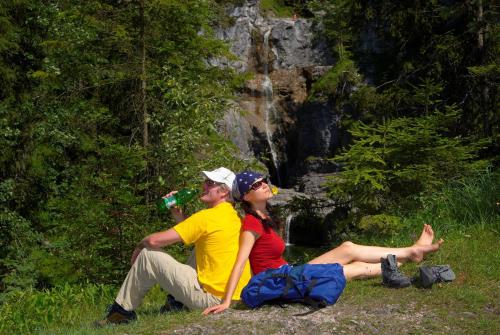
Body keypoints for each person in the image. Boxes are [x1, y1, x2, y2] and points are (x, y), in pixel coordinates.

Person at [203, 171, 443, 314]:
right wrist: (226, 301)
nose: (264, 184)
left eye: (263, 180)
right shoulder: (252, 224)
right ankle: (409, 255)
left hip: (288, 272)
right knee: (353, 266)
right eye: (256, 185)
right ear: (245, 196)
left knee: (348, 248)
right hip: (282, 280)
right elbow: (240, 261)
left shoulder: (265, 217)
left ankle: (409, 254)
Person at [96, 167, 252, 325]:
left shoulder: (207, 217)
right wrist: (177, 214)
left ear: (224, 191)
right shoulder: (234, 217)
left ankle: (121, 313)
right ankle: (176, 303)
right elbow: (196, 230)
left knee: (149, 256)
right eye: (205, 181)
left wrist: (140, 244)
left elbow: (154, 241)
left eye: (209, 183)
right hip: (236, 297)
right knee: (200, 247)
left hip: (213, 301)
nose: (203, 186)